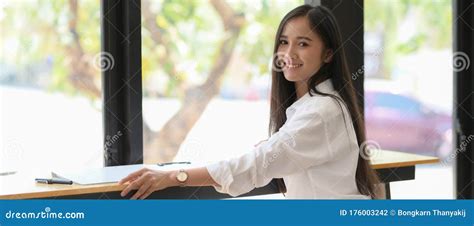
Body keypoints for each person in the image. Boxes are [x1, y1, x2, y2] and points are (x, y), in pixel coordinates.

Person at [119, 4, 380, 199]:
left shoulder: (321, 112)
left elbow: (255, 165)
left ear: (327, 54)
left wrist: (173, 177)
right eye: (284, 42)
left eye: (303, 44)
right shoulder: (319, 105)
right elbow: (281, 153)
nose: (288, 53)